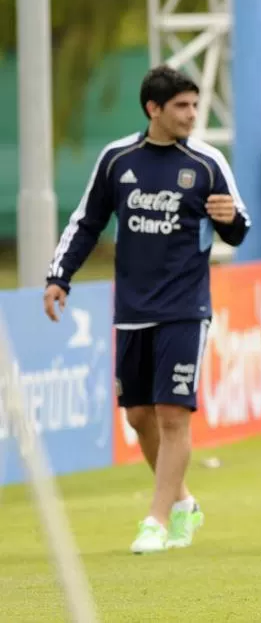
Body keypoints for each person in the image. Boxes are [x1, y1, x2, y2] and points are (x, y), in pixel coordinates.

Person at [44, 66, 250, 554]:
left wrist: (230, 220)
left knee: (174, 414)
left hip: (185, 306)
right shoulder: (118, 160)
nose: (191, 115)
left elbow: (238, 228)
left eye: (195, 105)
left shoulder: (206, 162)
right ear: (153, 109)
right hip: (132, 308)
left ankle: (156, 520)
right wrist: (59, 276)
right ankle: (181, 503)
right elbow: (87, 221)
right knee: (139, 416)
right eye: (181, 106)